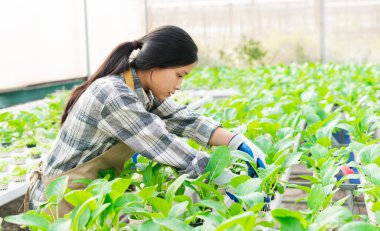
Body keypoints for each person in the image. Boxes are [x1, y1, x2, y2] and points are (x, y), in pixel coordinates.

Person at [25, 25, 266, 216]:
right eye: (179, 75)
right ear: (156, 65)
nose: (179, 85)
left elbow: (182, 119)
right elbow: (162, 144)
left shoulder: (141, 91)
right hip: (61, 198)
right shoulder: (114, 94)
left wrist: (237, 142)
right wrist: (232, 180)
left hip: (91, 191)